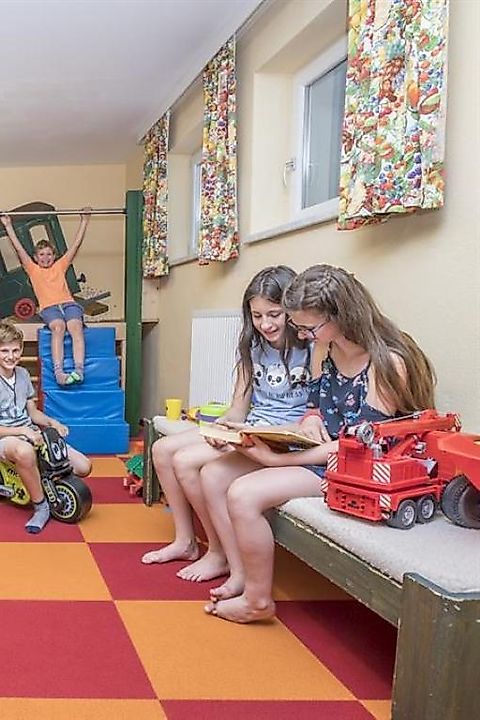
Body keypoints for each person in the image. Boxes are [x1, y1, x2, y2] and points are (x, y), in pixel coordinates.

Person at [201, 264, 436, 623]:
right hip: (328, 451)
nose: (303, 335)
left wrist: (274, 460)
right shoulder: (327, 347)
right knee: (224, 477)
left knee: (243, 494)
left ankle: (257, 601)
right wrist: (310, 418)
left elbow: (361, 445)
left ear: (339, 316)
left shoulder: (387, 363)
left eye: (308, 328)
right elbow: (315, 402)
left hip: (361, 465)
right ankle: (242, 579)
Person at [141, 266, 313, 588]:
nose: (265, 324)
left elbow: (314, 416)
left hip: (281, 436)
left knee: (186, 461)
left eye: (274, 314)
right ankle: (186, 541)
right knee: (161, 449)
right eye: (257, 316)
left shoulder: (310, 346)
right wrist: (225, 425)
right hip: (251, 426)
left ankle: (218, 551)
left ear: (292, 310)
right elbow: (239, 405)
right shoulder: (253, 344)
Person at [0, 320, 91, 533]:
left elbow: (32, 412)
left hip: (29, 432)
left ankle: (39, 479)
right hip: (6, 437)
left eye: (15, 350)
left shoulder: (23, 375)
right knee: (24, 452)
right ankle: (41, 507)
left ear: (21, 349)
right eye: (4, 351)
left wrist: (52, 422)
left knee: (83, 466)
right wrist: (22, 431)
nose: (11, 356)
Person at [1, 210, 91, 385]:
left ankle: (79, 370)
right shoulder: (32, 269)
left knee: (76, 327)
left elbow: (75, 246)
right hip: (50, 308)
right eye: (41, 255)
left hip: (68, 304)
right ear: (35, 258)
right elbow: (19, 248)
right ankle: (59, 372)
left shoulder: (60, 266)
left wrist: (84, 221)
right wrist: (8, 225)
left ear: (54, 256)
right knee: (58, 327)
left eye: (49, 254)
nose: (46, 258)